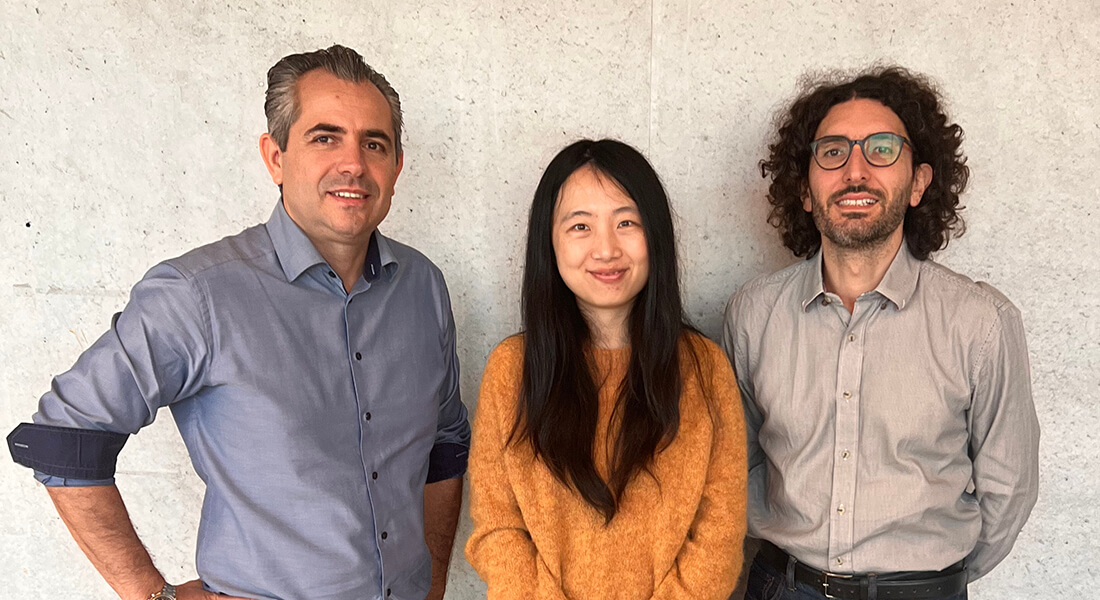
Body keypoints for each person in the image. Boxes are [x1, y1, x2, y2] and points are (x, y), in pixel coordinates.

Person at [7, 45, 470, 600]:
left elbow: (445, 446)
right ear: (275, 157)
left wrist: (434, 585)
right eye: (325, 138)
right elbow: (63, 437)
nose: (353, 163)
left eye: (375, 143)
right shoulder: (198, 294)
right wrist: (152, 597)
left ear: (396, 165)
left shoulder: (423, 287)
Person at [722, 67, 1039, 600]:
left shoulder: (981, 322)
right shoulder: (753, 315)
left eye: (883, 149)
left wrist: (929, 580)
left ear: (918, 183)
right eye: (832, 152)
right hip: (784, 587)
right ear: (804, 188)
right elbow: (735, 464)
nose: (856, 171)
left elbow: (1009, 493)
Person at [465, 139, 747, 600]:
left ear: (654, 235)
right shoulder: (511, 370)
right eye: (580, 225)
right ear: (549, 241)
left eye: (627, 222)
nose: (606, 248)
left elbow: (720, 531)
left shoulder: (705, 369)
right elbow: (498, 528)